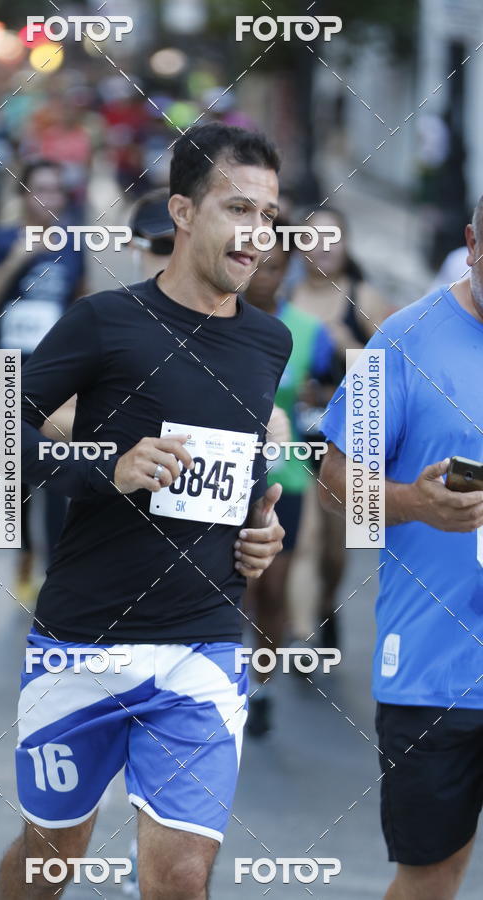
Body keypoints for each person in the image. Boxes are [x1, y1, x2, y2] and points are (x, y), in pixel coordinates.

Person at [0, 122, 289, 900]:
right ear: (182, 211)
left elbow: (227, 478)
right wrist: (105, 464)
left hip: (201, 646)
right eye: (237, 209)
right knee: (50, 860)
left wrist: (260, 532)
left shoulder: (268, 343)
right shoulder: (104, 321)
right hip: (83, 640)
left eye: (269, 217)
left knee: (180, 876)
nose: (256, 234)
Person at [318, 199, 483, 900]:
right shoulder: (402, 339)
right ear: (472, 243)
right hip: (435, 665)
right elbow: (333, 477)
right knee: (432, 874)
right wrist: (417, 503)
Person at [0, 159, 87, 608]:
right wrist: (15, 260)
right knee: (8, 476)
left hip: (56, 373)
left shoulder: (72, 245)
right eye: (39, 190)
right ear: (23, 196)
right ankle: (24, 556)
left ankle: (54, 566)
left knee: (54, 463)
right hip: (4, 370)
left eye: (56, 191)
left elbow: (83, 305)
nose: (48, 200)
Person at [243, 217, 335, 736]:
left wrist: (317, 400)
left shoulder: (307, 332)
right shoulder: (214, 321)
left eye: (275, 266)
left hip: (287, 477)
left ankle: (262, 686)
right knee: (231, 587)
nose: (264, 275)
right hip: (222, 472)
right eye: (257, 263)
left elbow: (329, 391)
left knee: (271, 589)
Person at [286, 206, 391, 649]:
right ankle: (300, 632)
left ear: (347, 245)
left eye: (333, 238)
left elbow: (394, 370)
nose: (323, 248)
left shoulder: (361, 297)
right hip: (293, 438)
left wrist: (350, 350)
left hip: (347, 440)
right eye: (312, 239)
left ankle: (325, 604)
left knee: (334, 550)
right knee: (305, 540)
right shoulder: (284, 298)